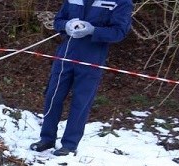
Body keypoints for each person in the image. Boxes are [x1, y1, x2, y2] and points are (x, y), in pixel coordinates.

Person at [31, 0, 133, 156]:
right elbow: (58, 21)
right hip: (65, 55)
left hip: (92, 59)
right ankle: (47, 138)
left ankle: (70, 144)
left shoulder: (121, 2)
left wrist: (93, 30)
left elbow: (119, 32)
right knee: (53, 96)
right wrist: (66, 25)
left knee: (81, 102)